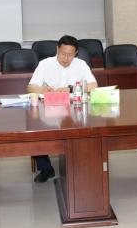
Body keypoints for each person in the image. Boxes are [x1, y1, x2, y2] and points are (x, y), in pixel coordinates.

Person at [27, 35, 97, 182]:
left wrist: (71, 88)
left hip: (74, 110)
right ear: (57, 49)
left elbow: (93, 85)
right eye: (63, 53)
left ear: (76, 53)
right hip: (49, 109)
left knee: (87, 129)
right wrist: (42, 89)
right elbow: (30, 87)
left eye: (70, 55)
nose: (66, 58)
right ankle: (46, 169)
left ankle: (80, 166)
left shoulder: (81, 64)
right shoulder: (45, 64)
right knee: (36, 131)